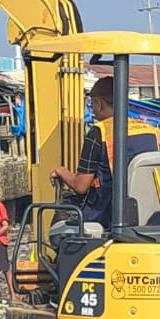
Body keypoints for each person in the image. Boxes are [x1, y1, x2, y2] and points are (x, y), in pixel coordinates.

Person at [51, 78, 116, 228]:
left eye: (92, 104)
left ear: (99, 104)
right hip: (140, 214)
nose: (92, 109)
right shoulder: (149, 131)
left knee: (60, 232)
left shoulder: (99, 133)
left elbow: (80, 186)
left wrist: (61, 171)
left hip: (105, 215)